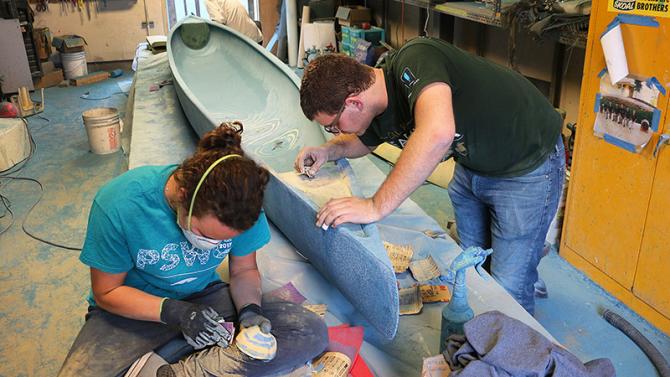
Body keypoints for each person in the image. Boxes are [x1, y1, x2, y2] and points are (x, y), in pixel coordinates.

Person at [294, 37, 565, 315]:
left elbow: (438, 132)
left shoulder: (417, 59)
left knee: (510, 290)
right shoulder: (377, 104)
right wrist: (328, 151)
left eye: (333, 125)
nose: (337, 131)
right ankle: (523, 262)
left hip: (526, 165)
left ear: (354, 103)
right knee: (472, 269)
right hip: (473, 167)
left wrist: (374, 206)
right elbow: (364, 141)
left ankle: (525, 277)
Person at [58, 122, 328, 376]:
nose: (210, 244)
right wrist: (175, 313)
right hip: (134, 308)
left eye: (220, 241)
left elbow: (244, 269)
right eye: (203, 234)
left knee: (307, 331)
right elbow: (107, 292)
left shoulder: (243, 207)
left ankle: (179, 371)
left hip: (205, 299)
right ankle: (174, 353)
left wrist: (249, 311)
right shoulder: (120, 203)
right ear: (184, 195)